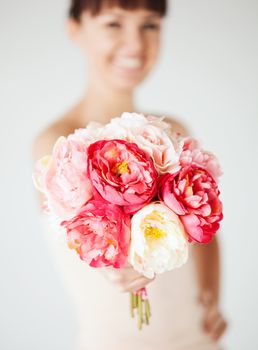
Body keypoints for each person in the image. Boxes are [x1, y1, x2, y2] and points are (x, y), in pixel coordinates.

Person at [32, 0, 228, 349]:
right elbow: (91, 236)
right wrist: (128, 265)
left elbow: (206, 230)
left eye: (149, 25)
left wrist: (211, 296)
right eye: (114, 24)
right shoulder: (57, 146)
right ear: (75, 29)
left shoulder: (172, 132)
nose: (136, 44)